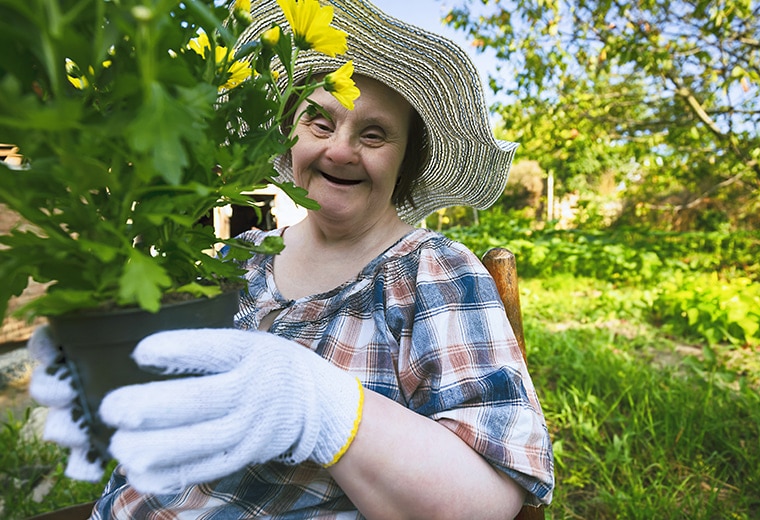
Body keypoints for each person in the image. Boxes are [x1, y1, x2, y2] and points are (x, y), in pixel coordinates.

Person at [28, 0, 555, 517]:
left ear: (407, 159)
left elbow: (492, 498)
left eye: (374, 135)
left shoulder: (433, 273)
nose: (341, 150)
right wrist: (112, 375)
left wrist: (322, 409)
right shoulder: (239, 260)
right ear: (288, 133)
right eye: (320, 124)